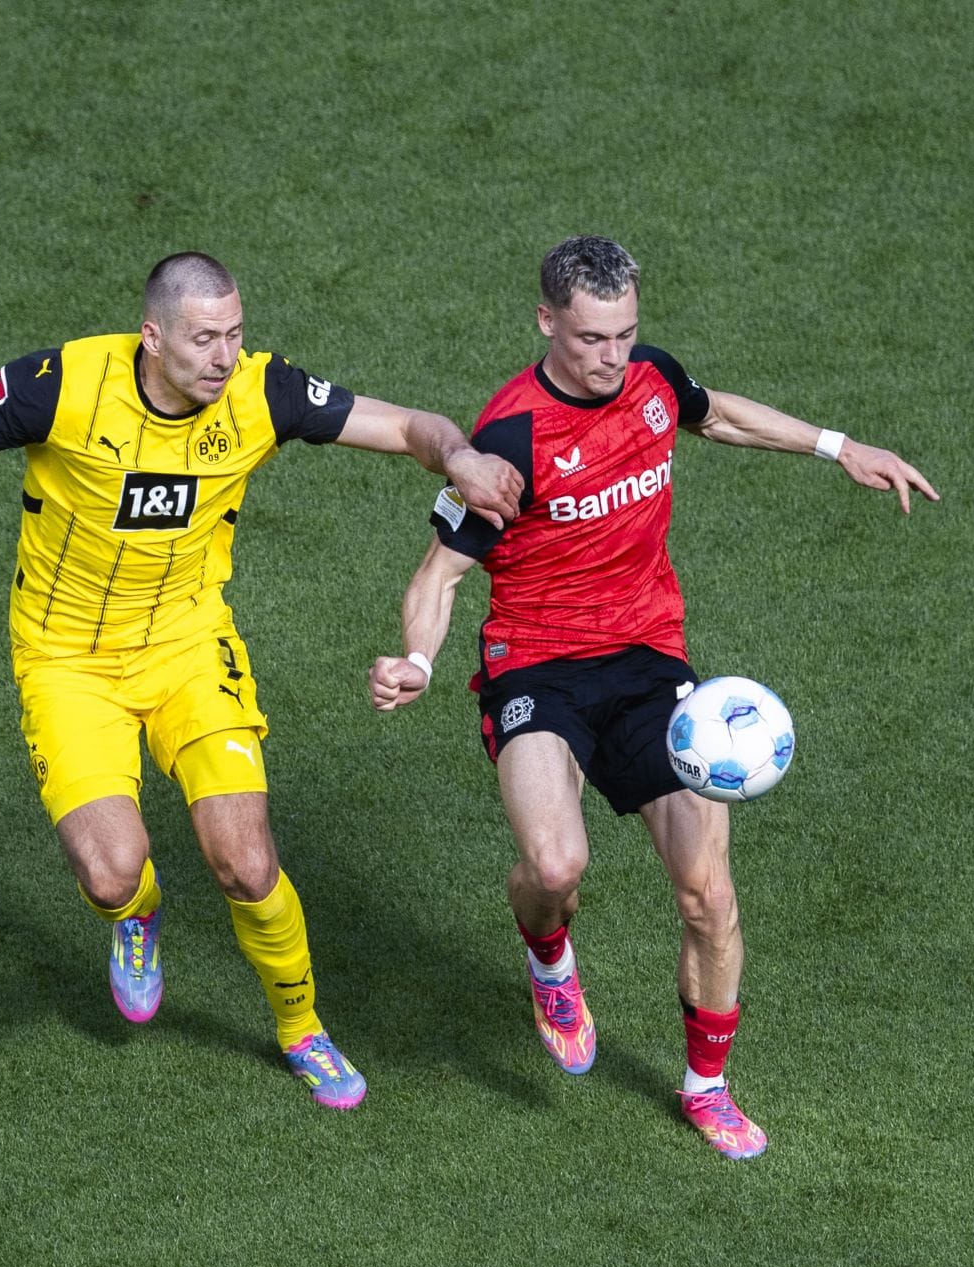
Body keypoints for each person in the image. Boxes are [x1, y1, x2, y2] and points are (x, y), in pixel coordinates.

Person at [0, 251, 522, 1110]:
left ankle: (302, 1027)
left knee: (247, 863)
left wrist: (461, 458)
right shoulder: (62, 386)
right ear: (151, 336)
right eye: (204, 338)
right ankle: (136, 916)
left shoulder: (261, 392)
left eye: (235, 334)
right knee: (109, 872)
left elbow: (405, 426)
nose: (224, 356)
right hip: (67, 662)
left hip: (186, 646)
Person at [368, 236, 936, 1157]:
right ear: (547, 320)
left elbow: (720, 417)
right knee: (555, 867)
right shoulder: (508, 437)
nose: (612, 357)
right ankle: (548, 955)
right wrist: (420, 664)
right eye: (592, 338)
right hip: (538, 667)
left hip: (646, 663)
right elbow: (439, 577)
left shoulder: (650, 382)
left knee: (710, 894)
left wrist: (840, 447)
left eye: (626, 333)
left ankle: (706, 1086)